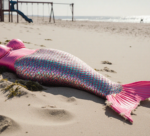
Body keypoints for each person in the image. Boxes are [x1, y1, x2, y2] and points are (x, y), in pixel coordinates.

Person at [0, 39, 150, 123]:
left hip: (42, 53)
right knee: (68, 71)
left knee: (76, 67)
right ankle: (114, 92)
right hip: (26, 63)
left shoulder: (11, 48)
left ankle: (113, 88)